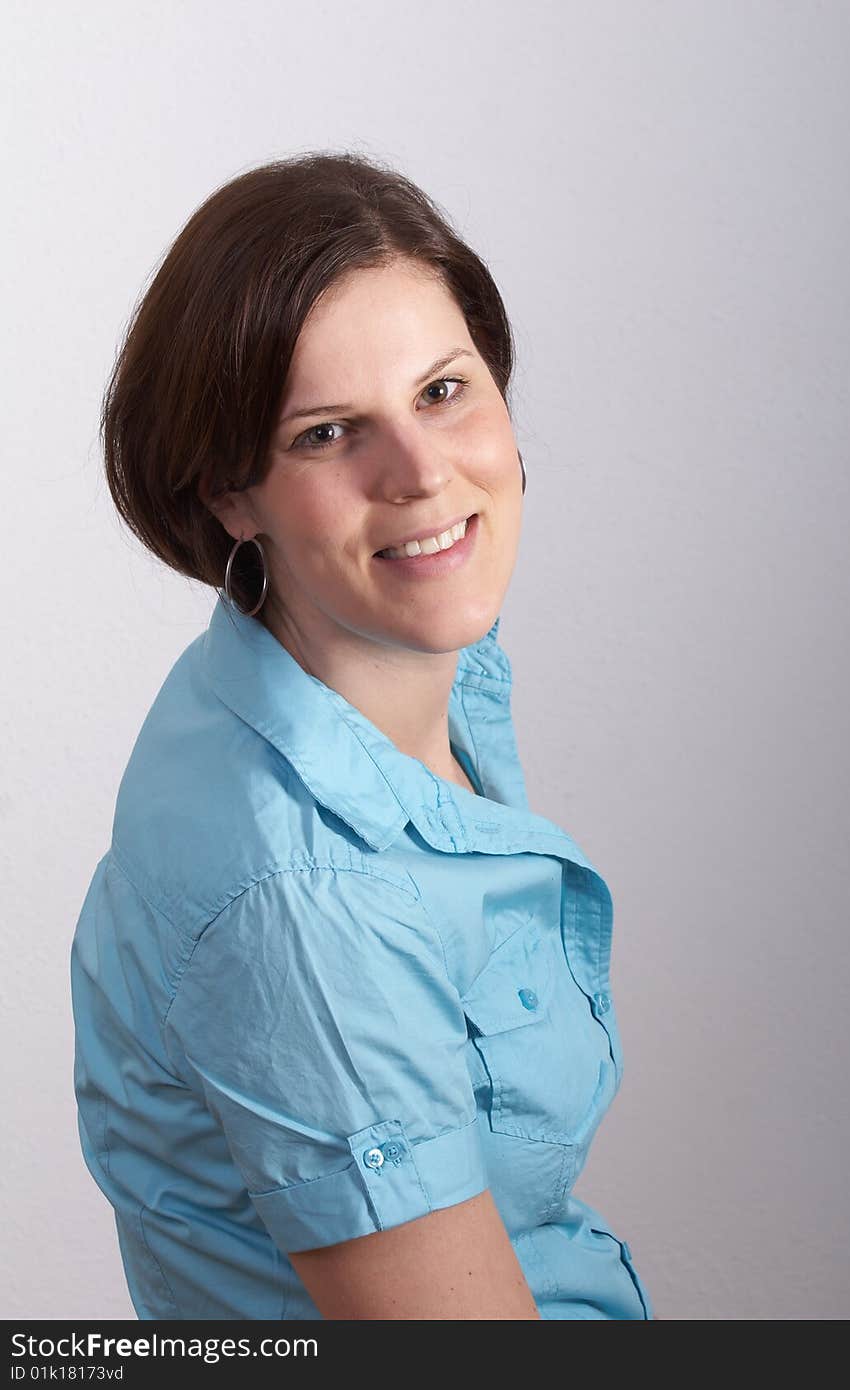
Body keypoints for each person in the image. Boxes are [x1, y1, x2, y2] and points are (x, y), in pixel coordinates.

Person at [70, 150, 655, 1321]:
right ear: (231, 494)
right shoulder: (305, 895)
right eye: (330, 433)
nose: (422, 473)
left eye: (443, 391)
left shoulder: (372, 675)